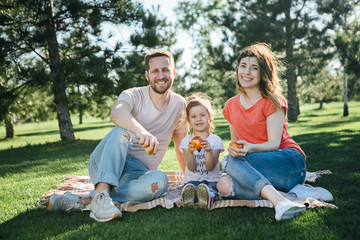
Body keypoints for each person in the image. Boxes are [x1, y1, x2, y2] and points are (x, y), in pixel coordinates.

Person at [48, 49, 188, 222]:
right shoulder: (133, 94)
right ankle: (101, 192)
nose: (161, 75)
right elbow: (116, 113)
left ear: (173, 72)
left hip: (138, 174)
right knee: (124, 130)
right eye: (155, 71)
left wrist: (189, 180)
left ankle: (89, 199)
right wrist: (141, 131)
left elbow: (182, 148)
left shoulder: (180, 104)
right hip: (106, 162)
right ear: (147, 75)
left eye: (166, 70)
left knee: (161, 181)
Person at [216, 43, 333, 221]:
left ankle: (280, 202)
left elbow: (274, 144)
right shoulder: (231, 105)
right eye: (243, 66)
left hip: (289, 161)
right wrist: (237, 150)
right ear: (237, 69)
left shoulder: (273, 101)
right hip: (259, 167)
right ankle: (292, 195)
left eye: (254, 68)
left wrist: (248, 149)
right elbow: (237, 148)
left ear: (263, 73)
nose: (246, 72)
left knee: (229, 162)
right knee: (223, 185)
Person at [180, 93, 224, 210]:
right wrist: (190, 152)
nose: (198, 119)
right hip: (192, 180)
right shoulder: (186, 141)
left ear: (210, 117)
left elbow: (209, 167)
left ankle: (208, 196)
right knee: (190, 187)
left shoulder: (215, 140)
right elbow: (191, 167)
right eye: (193, 116)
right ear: (189, 121)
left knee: (209, 188)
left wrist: (209, 151)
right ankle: (190, 197)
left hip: (211, 180)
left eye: (202, 115)